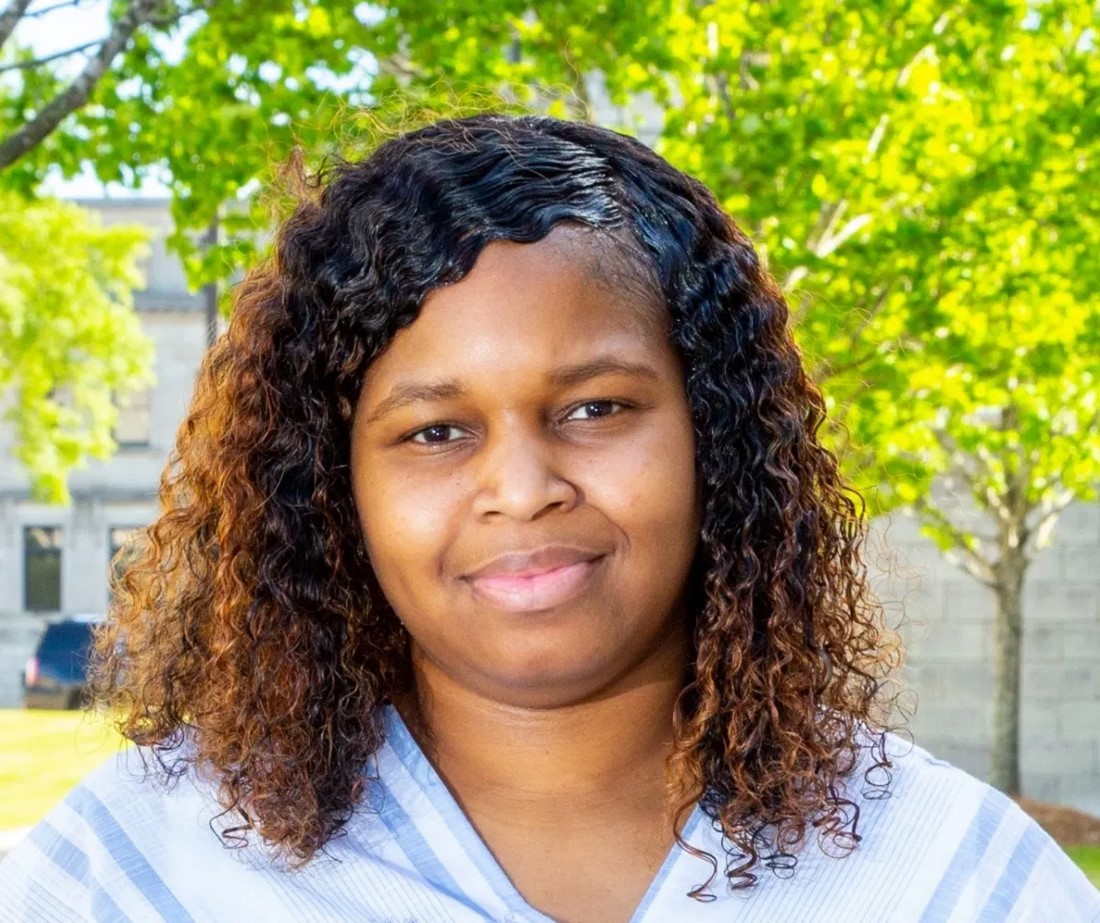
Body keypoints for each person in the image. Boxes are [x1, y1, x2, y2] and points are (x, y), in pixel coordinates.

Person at [1, 114, 1097, 923]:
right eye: (436, 430)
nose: (522, 487)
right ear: (333, 488)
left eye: (594, 408)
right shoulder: (139, 872)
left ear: (712, 434)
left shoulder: (949, 877)